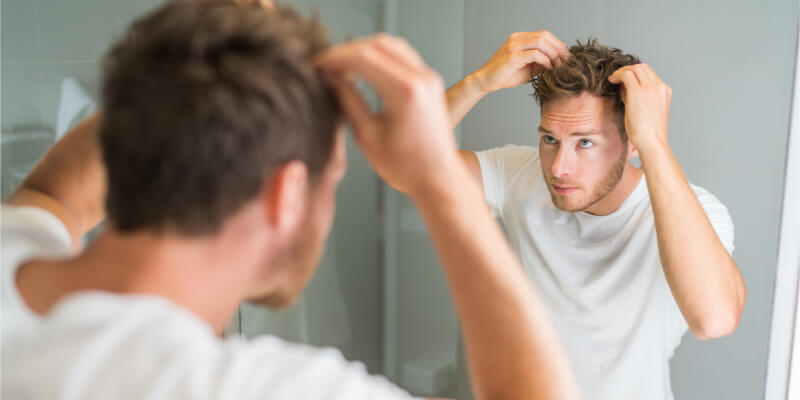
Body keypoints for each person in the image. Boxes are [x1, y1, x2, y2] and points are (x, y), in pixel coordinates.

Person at [0, 1, 579, 399]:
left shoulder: (11, 254)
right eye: (334, 177)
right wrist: (435, 177)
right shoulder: (249, 388)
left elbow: (53, 193)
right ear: (287, 193)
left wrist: (218, 50)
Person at [446, 32, 747, 399]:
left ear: (633, 140)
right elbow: (408, 167)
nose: (559, 168)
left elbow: (714, 319)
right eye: (550, 139)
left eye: (584, 142)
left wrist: (655, 143)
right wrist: (477, 83)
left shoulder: (690, 210)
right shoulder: (518, 174)